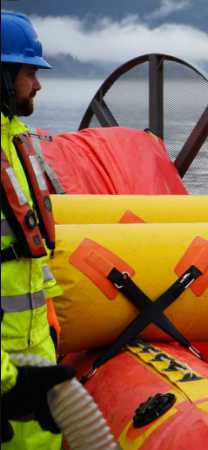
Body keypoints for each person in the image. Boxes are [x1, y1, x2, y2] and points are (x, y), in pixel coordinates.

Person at [1, 11, 75, 448]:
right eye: (29, 72)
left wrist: (48, 328)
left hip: (31, 361)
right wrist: (9, 381)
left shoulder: (17, 143)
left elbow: (30, 254)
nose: (38, 85)